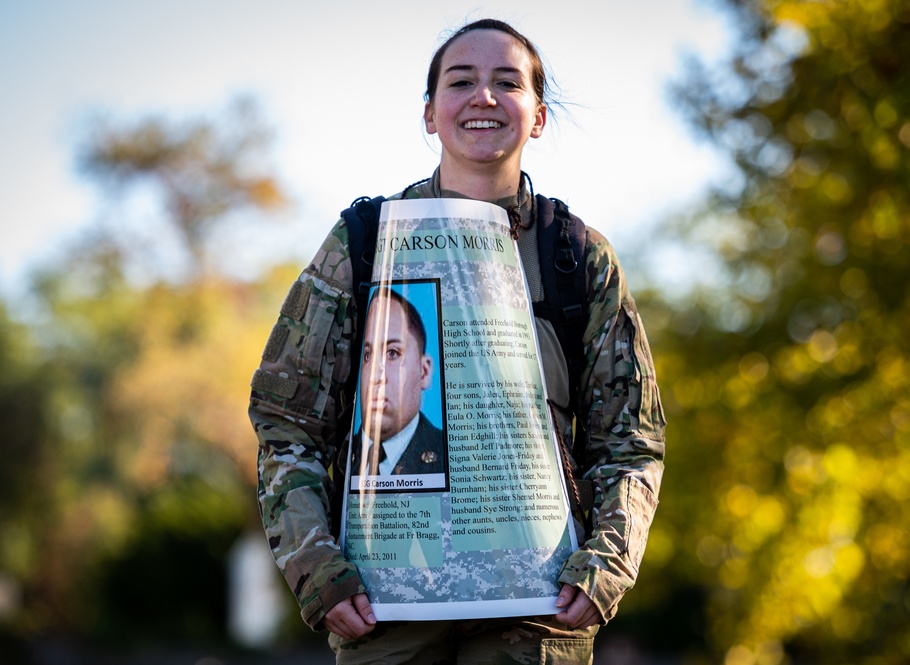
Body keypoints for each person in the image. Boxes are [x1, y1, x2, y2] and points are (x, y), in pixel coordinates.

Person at [249, 18, 666, 664]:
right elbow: (287, 424)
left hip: (536, 614)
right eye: (460, 81)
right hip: (386, 610)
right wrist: (317, 569)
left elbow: (629, 441)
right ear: (428, 113)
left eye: (507, 82)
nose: (483, 97)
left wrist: (604, 566)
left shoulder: (575, 256)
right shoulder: (364, 243)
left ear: (538, 117)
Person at [350, 287, 445, 477]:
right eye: (367, 355)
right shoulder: (340, 451)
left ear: (424, 372)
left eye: (392, 353)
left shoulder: (449, 454)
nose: (376, 376)